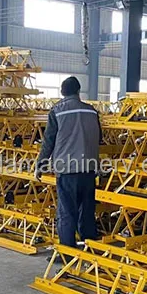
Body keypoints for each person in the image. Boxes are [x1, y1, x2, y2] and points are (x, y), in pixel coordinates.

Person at [35, 76, 102, 247]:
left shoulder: (57, 111)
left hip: (67, 170)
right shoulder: (92, 111)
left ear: (62, 92)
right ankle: (89, 247)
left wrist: (40, 165)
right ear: (78, 91)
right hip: (89, 169)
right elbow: (99, 138)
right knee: (87, 210)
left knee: (66, 212)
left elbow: (48, 141)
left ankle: (67, 251)